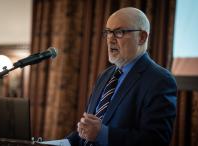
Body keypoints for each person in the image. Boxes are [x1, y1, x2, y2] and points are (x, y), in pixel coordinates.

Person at [67, 7, 177, 146]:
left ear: (142, 37)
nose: (110, 39)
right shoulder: (105, 75)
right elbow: (87, 130)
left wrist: (103, 134)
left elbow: (156, 140)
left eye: (119, 32)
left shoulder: (160, 80)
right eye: (108, 32)